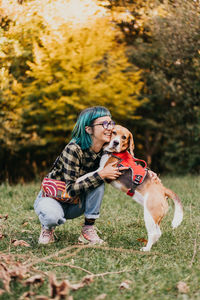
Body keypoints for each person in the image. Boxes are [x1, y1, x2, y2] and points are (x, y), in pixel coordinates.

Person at [34, 106, 127, 245]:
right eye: (104, 124)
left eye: (111, 123)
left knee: (98, 182)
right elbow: (70, 189)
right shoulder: (74, 149)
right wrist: (101, 174)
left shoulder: (107, 149)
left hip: (75, 204)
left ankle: (88, 229)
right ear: (88, 129)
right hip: (54, 197)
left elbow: (128, 163)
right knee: (52, 216)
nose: (110, 128)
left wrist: (149, 175)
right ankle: (47, 228)